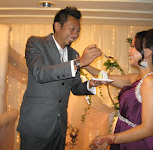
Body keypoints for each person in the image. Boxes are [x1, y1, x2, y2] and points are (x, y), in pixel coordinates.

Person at [17, 6, 103, 150]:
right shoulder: (35, 43)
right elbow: (40, 73)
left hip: (60, 127)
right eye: (72, 29)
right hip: (36, 126)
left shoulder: (73, 53)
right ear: (57, 26)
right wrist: (79, 62)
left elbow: (75, 87)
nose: (75, 34)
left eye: (78, 30)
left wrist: (91, 84)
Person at [85, 28, 153, 150]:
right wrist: (84, 64)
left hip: (136, 144)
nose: (129, 50)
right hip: (125, 139)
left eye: (133, 46)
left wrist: (109, 138)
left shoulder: (151, 82)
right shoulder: (139, 78)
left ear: (147, 52)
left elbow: (148, 129)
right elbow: (105, 78)